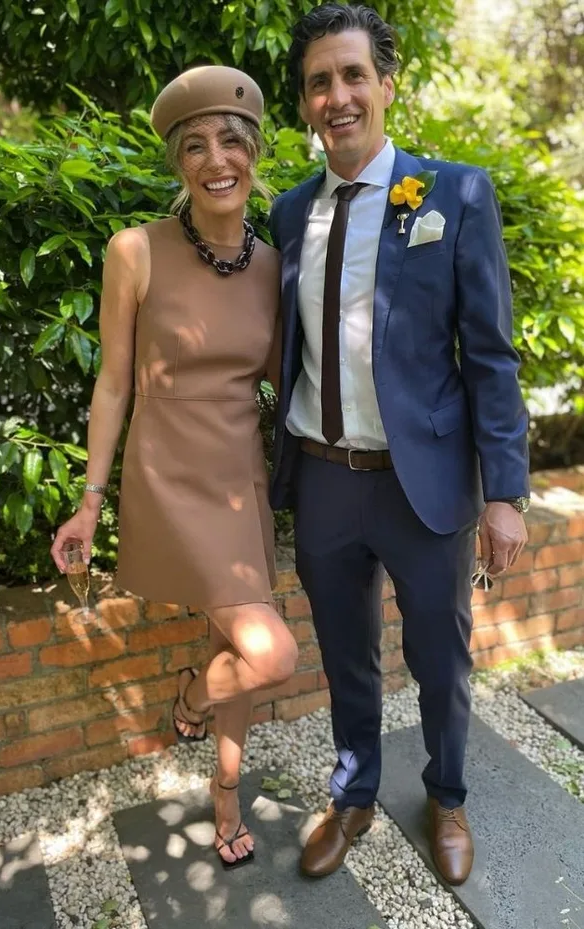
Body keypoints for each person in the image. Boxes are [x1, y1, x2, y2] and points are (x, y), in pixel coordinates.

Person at [268, 4, 530, 884]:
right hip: (324, 478)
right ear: (304, 104)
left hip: (425, 482)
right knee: (346, 654)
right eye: (319, 82)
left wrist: (505, 491)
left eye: (352, 75)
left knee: (439, 657)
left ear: (385, 85)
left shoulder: (454, 194)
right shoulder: (289, 213)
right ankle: (353, 794)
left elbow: (489, 354)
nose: (337, 96)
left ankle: (447, 794)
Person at [51, 65, 297, 871]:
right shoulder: (134, 251)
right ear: (178, 164)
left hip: (239, 481)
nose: (215, 159)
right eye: (195, 146)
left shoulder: (274, 265)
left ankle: (223, 785)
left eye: (231, 140)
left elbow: (286, 382)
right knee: (271, 653)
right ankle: (193, 694)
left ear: (254, 152)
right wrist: (89, 500)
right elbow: (113, 382)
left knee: (241, 645)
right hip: (168, 478)